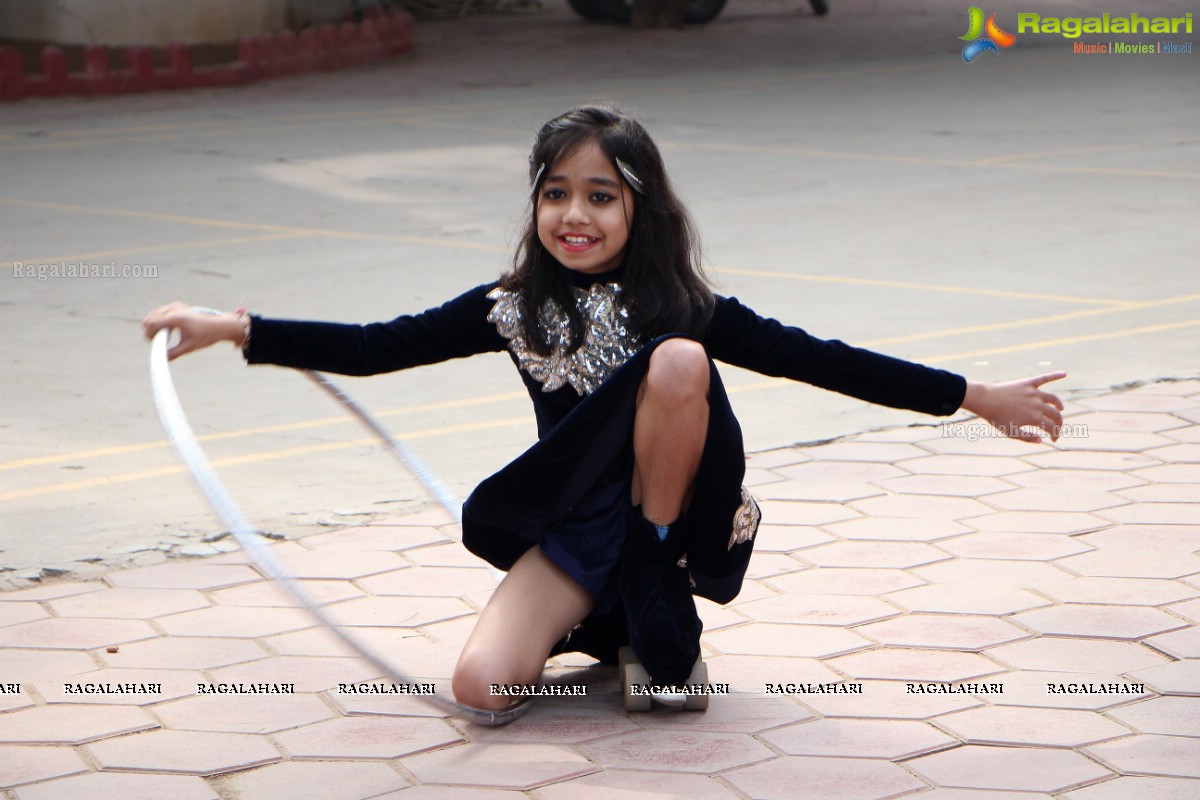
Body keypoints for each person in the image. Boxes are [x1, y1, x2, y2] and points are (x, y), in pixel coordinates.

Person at [143, 105, 1065, 714]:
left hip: (672, 518)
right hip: (579, 527)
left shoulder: (683, 308)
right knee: (479, 688)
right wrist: (234, 327)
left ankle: (656, 585)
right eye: (555, 194)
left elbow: (822, 359)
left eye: (600, 196)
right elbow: (378, 345)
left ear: (638, 210)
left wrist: (975, 397)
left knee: (674, 362)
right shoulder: (512, 307)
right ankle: (609, 619)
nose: (573, 215)